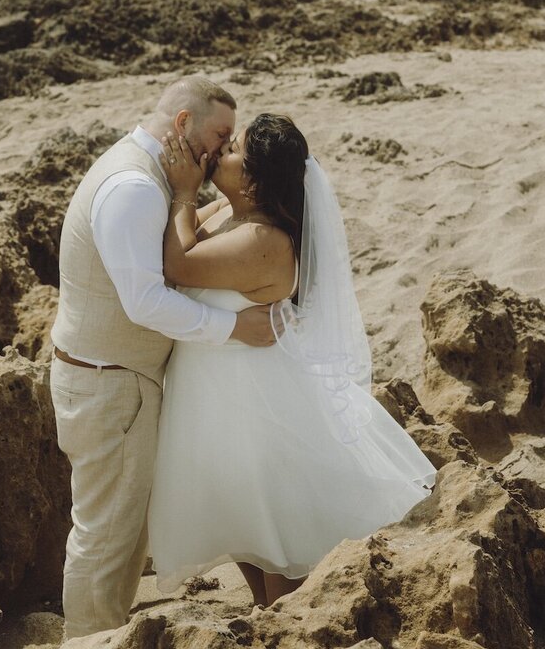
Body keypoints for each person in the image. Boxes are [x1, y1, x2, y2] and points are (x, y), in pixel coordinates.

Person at [148, 113, 436, 608]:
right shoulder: (230, 213)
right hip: (217, 395)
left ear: (257, 179)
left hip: (256, 406)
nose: (220, 154)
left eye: (232, 150)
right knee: (243, 525)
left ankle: (297, 640)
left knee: (281, 545)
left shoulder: (265, 240)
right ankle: (268, 616)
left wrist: (181, 191)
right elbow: (178, 240)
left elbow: (177, 264)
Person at [50, 76, 281, 637]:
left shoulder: (149, 175)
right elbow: (146, 299)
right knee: (106, 538)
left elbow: (187, 247)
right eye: (220, 134)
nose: (223, 150)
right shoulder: (132, 186)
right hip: (110, 384)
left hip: (113, 378)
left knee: (122, 536)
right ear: (183, 124)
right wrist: (234, 328)